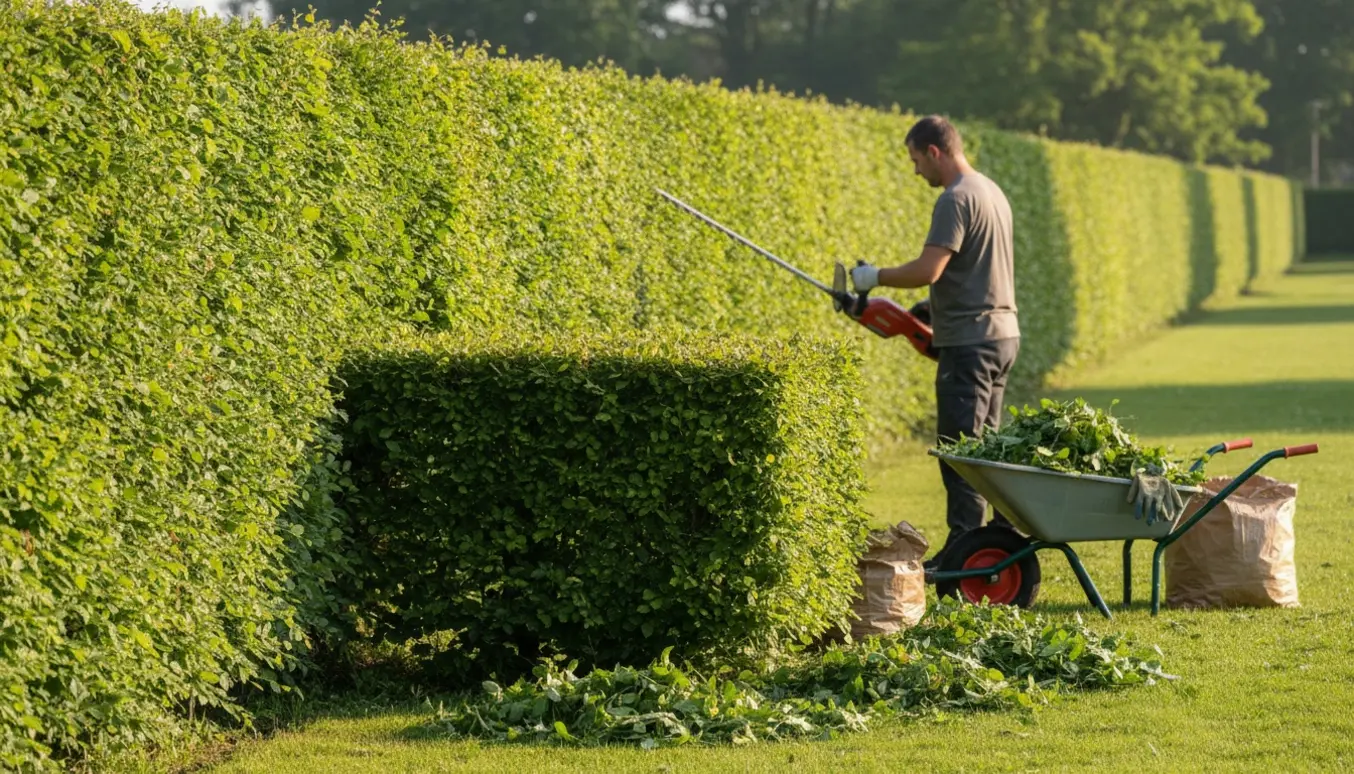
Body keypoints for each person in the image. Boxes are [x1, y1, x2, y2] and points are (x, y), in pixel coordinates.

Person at [848, 115, 1021, 571]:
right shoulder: (991, 191)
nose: (915, 171)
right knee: (988, 448)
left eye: (915, 160)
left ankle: (966, 548)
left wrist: (875, 276)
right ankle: (1000, 538)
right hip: (1003, 335)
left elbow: (930, 269)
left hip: (970, 342)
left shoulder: (954, 199)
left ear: (935, 152)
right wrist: (929, 309)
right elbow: (973, 270)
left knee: (960, 451)